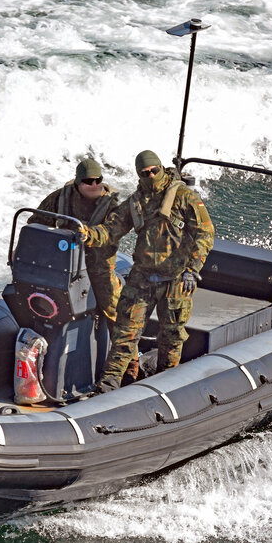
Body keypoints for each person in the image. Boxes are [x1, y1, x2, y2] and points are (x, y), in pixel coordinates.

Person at [78, 150, 214, 392]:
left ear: (161, 168)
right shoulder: (136, 202)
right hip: (142, 277)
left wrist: (192, 269)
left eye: (154, 171)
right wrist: (88, 235)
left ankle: (165, 385)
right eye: (145, 173)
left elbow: (205, 233)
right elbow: (111, 230)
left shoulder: (183, 197)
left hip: (175, 279)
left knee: (171, 337)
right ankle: (109, 385)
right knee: (125, 334)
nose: (150, 175)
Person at [31, 158, 122, 324]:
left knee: (113, 308)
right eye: (89, 181)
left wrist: (89, 235)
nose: (95, 185)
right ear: (78, 183)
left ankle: (122, 343)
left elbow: (112, 232)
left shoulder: (111, 205)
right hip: (62, 259)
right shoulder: (60, 197)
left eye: (98, 180)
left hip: (99, 263)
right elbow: (37, 223)